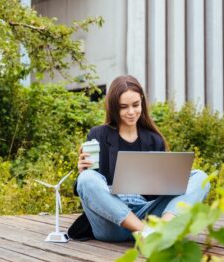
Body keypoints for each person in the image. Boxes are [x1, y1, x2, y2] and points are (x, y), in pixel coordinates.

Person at [70, 75, 210, 242]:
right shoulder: (98, 135)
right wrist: (82, 172)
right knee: (86, 179)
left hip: (148, 212)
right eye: (123, 107)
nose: (131, 112)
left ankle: (161, 230)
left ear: (142, 102)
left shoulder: (153, 140)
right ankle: (146, 232)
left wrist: (170, 182)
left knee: (201, 177)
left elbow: (163, 190)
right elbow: (91, 190)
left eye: (136, 105)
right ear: (114, 108)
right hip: (112, 221)